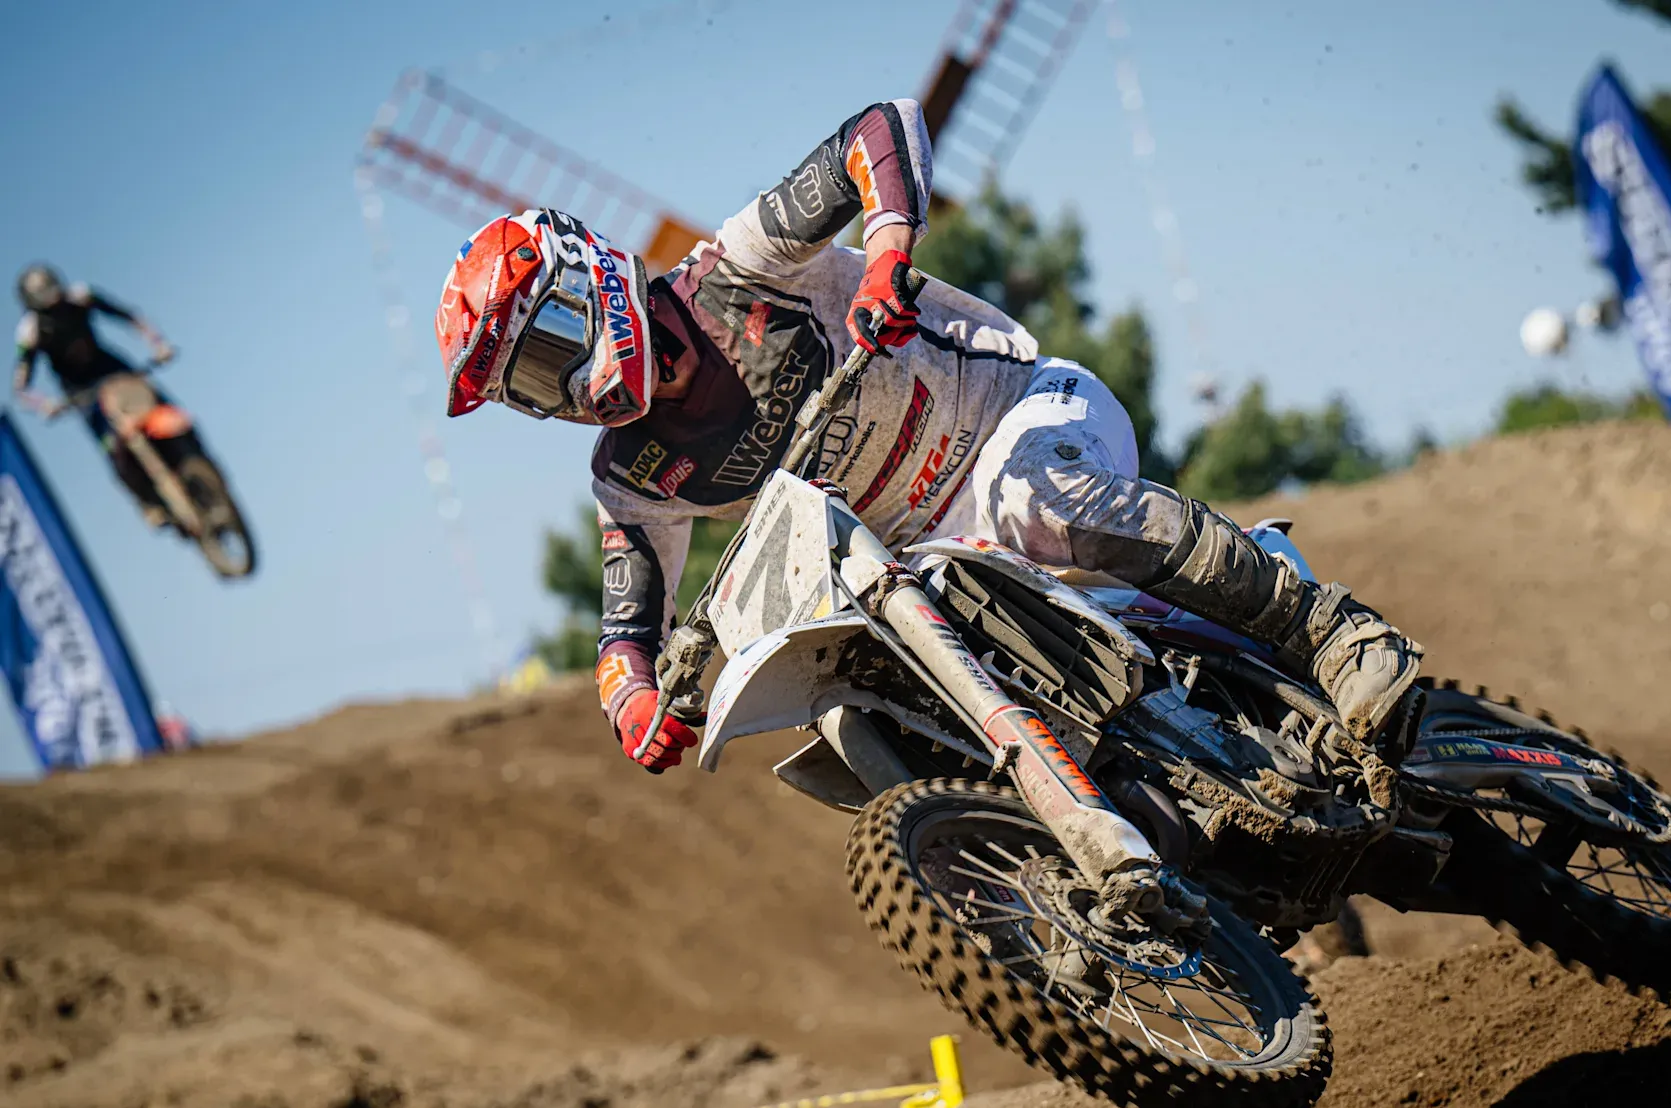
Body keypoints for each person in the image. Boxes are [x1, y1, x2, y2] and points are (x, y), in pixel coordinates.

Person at [436, 99, 1422, 773]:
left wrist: (885, 255)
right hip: (930, 563)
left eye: (547, 345)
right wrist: (632, 705)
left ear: (587, 276)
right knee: (867, 698)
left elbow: (881, 126)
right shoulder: (633, 476)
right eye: (528, 385)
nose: (559, 385)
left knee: (1039, 505)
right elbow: (625, 638)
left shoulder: (741, 264)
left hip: (1017, 419)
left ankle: (1330, 632)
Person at [12, 263, 197, 527]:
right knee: (112, 445)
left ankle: (199, 459)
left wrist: (158, 344)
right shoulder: (31, 332)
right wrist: (44, 404)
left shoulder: (81, 297)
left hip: (114, 370)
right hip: (82, 392)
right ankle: (149, 504)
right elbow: (20, 387)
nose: (54, 301)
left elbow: (129, 316)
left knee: (163, 407)